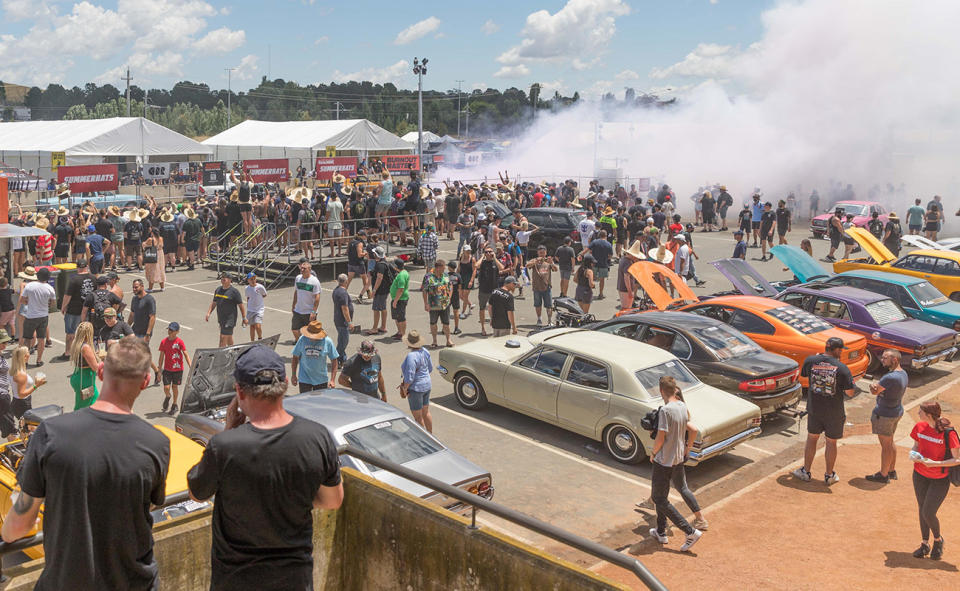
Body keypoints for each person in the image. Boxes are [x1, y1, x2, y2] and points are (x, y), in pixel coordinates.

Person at [2, 337, 169, 591]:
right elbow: (152, 503)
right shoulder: (157, 443)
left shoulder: (51, 433)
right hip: (136, 582)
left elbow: (18, 525)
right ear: (145, 382)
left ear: (100, 372)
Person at [187, 345, 344, 590]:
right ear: (284, 386)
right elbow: (333, 500)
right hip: (295, 579)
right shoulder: (317, 437)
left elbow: (197, 493)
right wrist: (291, 497)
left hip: (236, 581)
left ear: (239, 391)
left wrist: (229, 430)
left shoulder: (224, 447)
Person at [647, 376, 703, 552]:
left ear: (661, 390)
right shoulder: (682, 406)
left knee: (658, 498)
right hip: (678, 459)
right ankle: (661, 531)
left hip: (664, 460)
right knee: (663, 495)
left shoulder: (666, 410)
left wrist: (653, 453)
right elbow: (691, 429)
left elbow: (661, 436)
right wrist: (687, 449)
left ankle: (690, 531)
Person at [792, 337, 857, 484]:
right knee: (831, 442)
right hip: (834, 413)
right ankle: (829, 475)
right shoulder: (842, 368)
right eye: (841, 350)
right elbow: (850, 393)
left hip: (814, 409)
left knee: (812, 439)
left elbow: (803, 376)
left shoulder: (810, 361)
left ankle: (806, 471)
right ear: (837, 350)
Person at [909, 401, 960, 561]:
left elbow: (956, 459)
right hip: (919, 475)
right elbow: (916, 445)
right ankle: (925, 544)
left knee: (928, 512)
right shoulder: (919, 427)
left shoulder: (948, 433)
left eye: (920, 411)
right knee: (921, 508)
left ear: (929, 414)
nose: (918, 414)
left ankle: (937, 540)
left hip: (939, 478)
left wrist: (935, 464)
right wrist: (914, 454)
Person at [865, 350, 907, 483]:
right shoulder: (903, 373)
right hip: (896, 411)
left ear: (894, 360)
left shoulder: (889, 377)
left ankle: (883, 475)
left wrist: (872, 386)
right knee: (890, 442)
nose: (882, 360)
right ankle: (891, 470)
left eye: (885, 358)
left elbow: (875, 391)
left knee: (886, 446)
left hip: (885, 415)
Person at [19, 267, 56, 367]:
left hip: (30, 315)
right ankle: (39, 360)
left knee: (27, 339)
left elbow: (22, 300)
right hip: (43, 316)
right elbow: (53, 304)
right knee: (41, 339)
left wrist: (29, 302)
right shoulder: (50, 288)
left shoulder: (30, 286)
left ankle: (25, 361)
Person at [5, 345, 44, 439]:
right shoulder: (20, 374)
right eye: (28, 353)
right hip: (22, 403)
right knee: (28, 428)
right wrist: (36, 385)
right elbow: (22, 394)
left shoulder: (13, 369)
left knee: (24, 427)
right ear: (24, 357)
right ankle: (25, 446)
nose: (29, 354)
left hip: (17, 402)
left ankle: (23, 443)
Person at [59, 258, 95, 360]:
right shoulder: (93, 278)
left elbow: (67, 295)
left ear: (77, 268)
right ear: (86, 267)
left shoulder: (73, 279)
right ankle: (86, 352)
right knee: (87, 332)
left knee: (71, 333)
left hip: (74, 310)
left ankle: (68, 353)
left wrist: (63, 307)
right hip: (89, 310)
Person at [128, 278, 161, 385]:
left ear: (142, 286)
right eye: (133, 287)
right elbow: (132, 314)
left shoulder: (149, 299)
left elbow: (152, 317)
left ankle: (149, 374)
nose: (134, 289)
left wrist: (148, 334)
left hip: (144, 332)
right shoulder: (134, 299)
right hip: (135, 330)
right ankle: (156, 371)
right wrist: (127, 327)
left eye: (136, 287)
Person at [291, 320, 339, 393]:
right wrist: (293, 375)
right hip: (304, 378)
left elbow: (334, 360)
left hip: (321, 379)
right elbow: (295, 357)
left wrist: (332, 380)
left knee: (319, 403)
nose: (311, 338)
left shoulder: (327, 341)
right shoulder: (302, 339)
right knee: (305, 402)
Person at [400, 330, 434, 432]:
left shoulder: (411, 356)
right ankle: (431, 435)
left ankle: (424, 439)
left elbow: (410, 376)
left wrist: (405, 388)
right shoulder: (425, 351)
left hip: (416, 388)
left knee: (418, 417)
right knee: (426, 412)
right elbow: (430, 368)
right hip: (427, 385)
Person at [206, 273, 247, 347]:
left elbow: (241, 305)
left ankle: (220, 355)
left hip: (230, 319)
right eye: (222, 278)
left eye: (225, 278)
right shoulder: (218, 290)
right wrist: (209, 313)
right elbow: (214, 302)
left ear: (230, 280)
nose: (223, 279)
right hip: (221, 318)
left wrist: (244, 318)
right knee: (228, 337)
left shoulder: (234, 292)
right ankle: (233, 351)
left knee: (223, 337)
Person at [158, 322, 189, 415]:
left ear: (177, 332)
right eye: (169, 329)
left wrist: (191, 365)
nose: (169, 331)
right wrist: (159, 370)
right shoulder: (164, 342)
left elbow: (186, 354)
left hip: (178, 369)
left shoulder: (180, 342)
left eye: (172, 330)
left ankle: (174, 404)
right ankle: (168, 396)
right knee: (166, 387)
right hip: (167, 369)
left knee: (174, 387)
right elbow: (161, 357)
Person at [68, 321, 100, 410]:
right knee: (85, 407)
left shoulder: (76, 344)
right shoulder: (86, 347)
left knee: (91, 403)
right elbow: (95, 367)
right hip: (85, 379)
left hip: (78, 375)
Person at [422, 259, 454, 347]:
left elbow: (450, 286)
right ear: (438, 268)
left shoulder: (446, 275)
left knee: (446, 323)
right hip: (433, 305)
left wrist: (449, 297)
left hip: (445, 304)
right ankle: (434, 341)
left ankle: (448, 340)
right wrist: (426, 303)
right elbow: (424, 291)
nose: (444, 270)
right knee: (433, 323)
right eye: (443, 268)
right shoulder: (428, 277)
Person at [291, 259, 322, 344]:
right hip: (298, 310)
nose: (302, 270)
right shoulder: (298, 278)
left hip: (309, 311)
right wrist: (293, 305)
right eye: (301, 268)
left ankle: (310, 346)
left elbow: (317, 297)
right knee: (294, 329)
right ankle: (301, 343)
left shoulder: (314, 281)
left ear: (309, 269)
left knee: (311, 332)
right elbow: (296, 292)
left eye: (304, 268)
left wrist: (313, 311)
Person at [475, 246, 503, 336]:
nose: (488, 253)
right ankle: (483, 328)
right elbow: (476, 265)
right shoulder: (482, 263)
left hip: (494, 290)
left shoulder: (495, 262)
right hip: (483, 290)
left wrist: (494, 257)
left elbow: (502, 268)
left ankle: (495, 326)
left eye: (490, 251)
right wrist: (482, 256)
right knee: (482, 309)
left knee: (495, 309)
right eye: (486, 252)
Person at [526, 245, 557, 326]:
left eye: (543, 253)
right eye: (540, 253)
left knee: (549, 305)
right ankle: (539, 319)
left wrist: (552, 263)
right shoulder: (534, 260)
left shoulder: (548, 261)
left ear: (546, 253)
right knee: (537, 304)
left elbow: (555, 269)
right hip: (536, 287)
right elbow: (527, 265)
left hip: (547, 287)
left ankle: (550, 321)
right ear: (537, 253)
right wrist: (536, 261)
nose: (542, 255)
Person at [366, 247, 392, 335]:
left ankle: (375, 328)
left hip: (380, 290)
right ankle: (383, 326)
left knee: (376, 309)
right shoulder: (383, 263)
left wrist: (374, 290)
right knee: (383, 308)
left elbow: (379, 278)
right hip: (385, 289)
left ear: (376, 254)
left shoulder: (380, 265)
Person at [332, 273, 354, 364]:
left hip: (338, 319)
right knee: (343, 342)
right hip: (342, 321)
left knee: (342, 340)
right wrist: (349, 322)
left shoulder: (336, 290)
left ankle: (343, 359)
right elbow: (345, 309)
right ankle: (337, 359)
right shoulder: (342, 293)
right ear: (346, 281)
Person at [587, 230, 613, 299]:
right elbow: (610, 256)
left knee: (591, 278)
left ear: (599, 235)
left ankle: (589, 293)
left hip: (594, 263)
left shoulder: (595, 242)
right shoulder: (608, 244)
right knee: (602, 280)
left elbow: (589, 250)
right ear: (606, 236)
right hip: (604, 263)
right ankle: (601, 294)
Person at [389, 258, 410, 340]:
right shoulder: (402, 273)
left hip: (400, 299)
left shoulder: (401, 275)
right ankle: (399, 332)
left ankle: (403, 334)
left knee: (401, 317)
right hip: (397, 299)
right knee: (397, 317)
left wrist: (395, 301)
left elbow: (401, 289)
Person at [244, 272, 267, 341]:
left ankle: (260, 338)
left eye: (254, 278)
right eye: (251, 279)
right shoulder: (247, 288)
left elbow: (264, 295)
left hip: (259, 309)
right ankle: (252, 341)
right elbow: (248, 297)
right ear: (248, 280)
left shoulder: (260, 287)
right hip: (251, 309)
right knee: (252, 326)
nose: (253, 280)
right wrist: (248, 306)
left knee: (257, 325)